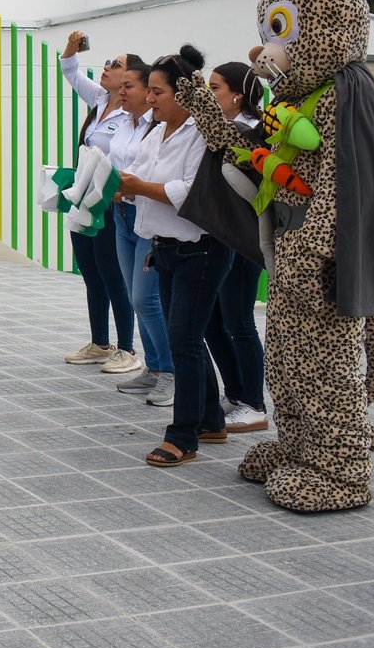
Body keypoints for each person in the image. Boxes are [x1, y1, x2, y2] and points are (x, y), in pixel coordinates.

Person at [118, 46, 233, 468]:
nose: (150, 98)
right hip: (164, 248)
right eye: (148, 90)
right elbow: (140, 178)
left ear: (184, 94)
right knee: (186, 338)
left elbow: (188, 191)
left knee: (182, 340)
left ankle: (182, 435)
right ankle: (210, 420)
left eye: (158, 91)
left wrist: (136, 187)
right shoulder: (156, 131)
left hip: (199, 250)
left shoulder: (204, 135)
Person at [58, 31, 139, 375]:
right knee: (91, 273)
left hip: (110, 202)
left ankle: (127, 349)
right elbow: (71, 71)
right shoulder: (100, 101)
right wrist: (72, 47)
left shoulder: (135, 114)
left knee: (112, 274)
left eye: (115, 65)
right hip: (83, 198)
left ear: (131, 78)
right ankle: (99, 343)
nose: (106, 68)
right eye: (106, 63)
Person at [204, 61, 269, 434]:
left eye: (215, 89)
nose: (210, 96)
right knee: (214, 321)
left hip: (244, 237)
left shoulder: (248, 132)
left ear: (237, 95)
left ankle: (255, 404)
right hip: (220, 235)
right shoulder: (225, 129)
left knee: (239, 321)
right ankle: (237, 392)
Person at [106, 56, 173, 402]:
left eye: (128, 85)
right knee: (136, 297)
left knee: (147, 299)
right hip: (121, 213)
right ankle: (155, 367)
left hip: (145, 215)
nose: (121, 91)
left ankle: (171, 372)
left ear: (149, 89)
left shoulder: (157, 125)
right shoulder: (125, 122)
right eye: (121, 86)